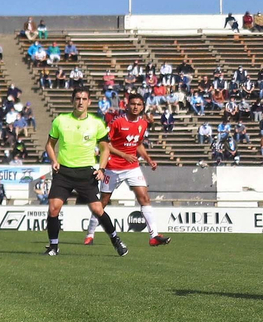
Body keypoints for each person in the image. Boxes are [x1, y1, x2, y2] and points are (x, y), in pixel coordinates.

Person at [43, 86, 127, 257]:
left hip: (86, 173)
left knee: (98, 209)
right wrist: (54, 160)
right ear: (72, 100)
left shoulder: (96, 123)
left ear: (89, 102)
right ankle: (53, 246)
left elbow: (105, 149)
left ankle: (115, 239)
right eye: (77, 98)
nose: (80, 102)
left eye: (84, 99)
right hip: (64, 172)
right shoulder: (60, 120)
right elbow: (49, 145)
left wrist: (102, 168)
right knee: (53, 209)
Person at [85, 92, 169, 247]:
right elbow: (105, 144)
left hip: (132, 167)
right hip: (112, 167)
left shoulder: (143, 124)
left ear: (143, 106)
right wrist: (124, 155)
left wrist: (149, 159)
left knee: (144, 197)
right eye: (133, 104)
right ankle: (90, 234)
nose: (135, 107)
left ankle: (154, 235)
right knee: (102, 202)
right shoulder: (117, 122)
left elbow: (138, 144)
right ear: (127, 105)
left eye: (139, 104)